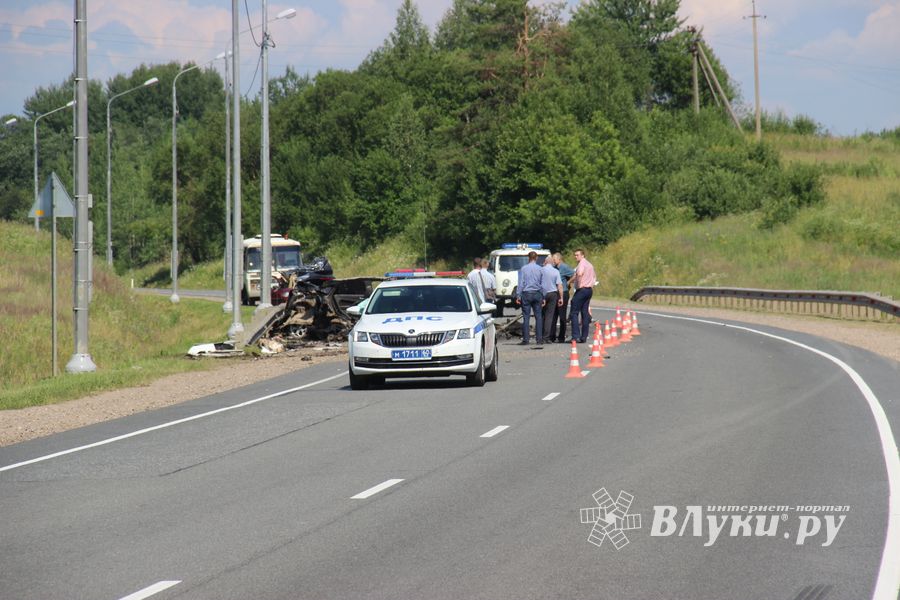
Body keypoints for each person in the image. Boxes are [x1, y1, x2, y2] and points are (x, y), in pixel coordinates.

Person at [515, 251, 545, 346]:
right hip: (537, 293)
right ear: (536, 258)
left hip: (526, 293)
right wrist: (543, 296)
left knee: (526, 317)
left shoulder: (523, 269)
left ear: (529, 258)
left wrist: (518, 295)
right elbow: (543, 284)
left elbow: (521, 283)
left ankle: (526, 339)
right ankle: (539, 339)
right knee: (538, 317)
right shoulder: (540, 269)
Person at [569, 249, 597, 343]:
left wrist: (578, 284)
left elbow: (579, 274)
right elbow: (594, 277)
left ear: (582, 255)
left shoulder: (581, 264)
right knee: (585, 313)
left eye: (577, 255)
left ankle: (575, 336)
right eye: (575, 255)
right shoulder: (590, 265)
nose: (575, 257)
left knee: (574, 312)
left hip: (582, 289)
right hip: (589, 290)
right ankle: (584, 336)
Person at [550, 252, 575, 343]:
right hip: (555, 293)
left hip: (563, 293)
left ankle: (561, 337)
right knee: (553, 315)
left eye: (554, 259)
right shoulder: (554, 268)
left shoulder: (564, 267)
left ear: (559, 259)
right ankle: (552, 336)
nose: (553, 260)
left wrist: (568, 282)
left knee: (562, 315)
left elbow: (574, 274)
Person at [541, 254, 564, 344]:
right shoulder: (556, 271)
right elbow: (560, 285)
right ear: (552, 262)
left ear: (545, 262)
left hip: (542, 293)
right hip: (552, 294)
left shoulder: (541, 270)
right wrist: (561, 297)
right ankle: (546, 337)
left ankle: (540, 335)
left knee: (541, 315)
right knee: (549, 316)